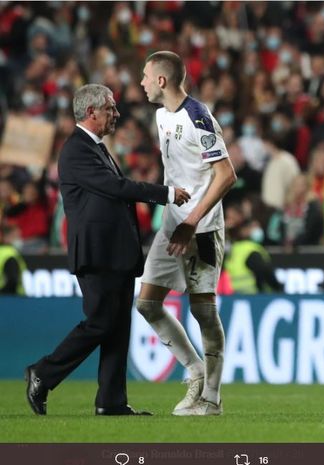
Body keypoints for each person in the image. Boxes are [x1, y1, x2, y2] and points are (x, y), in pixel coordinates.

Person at [25, 84, 190, 416]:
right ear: (91, 112)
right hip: (97, 253)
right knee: (100, 322)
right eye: (111, 109)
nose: (116, 114)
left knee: (117, 327)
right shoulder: (76, 150)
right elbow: (116, 188)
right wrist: (166, 193)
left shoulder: (95, 147)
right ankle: (43, 373)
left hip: (115, 253)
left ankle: (111, 401)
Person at [136, 51, 237, 416]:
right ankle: (194, 369)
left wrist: (192, 220)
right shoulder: (161, 116)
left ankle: (211, 396)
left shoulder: (199, 117)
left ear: (161, 80)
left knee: (203, 312)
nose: (142, 82)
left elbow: (226, 175)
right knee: (146, 303)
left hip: (203, 227)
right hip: (172, 223)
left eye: (146, 76)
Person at [224, 217, 283, 294]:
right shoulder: (251, 249)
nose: (258, 230)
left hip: (234, 295)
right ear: (244, 230)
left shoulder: (234, 248)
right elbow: (264, 270)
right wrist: (277, 288)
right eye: (254, 227)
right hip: (253, 296)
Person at [0, 224, 26, 295]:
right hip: (11, 300)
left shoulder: (2, 252)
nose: (19, 239)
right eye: (16, 236)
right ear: (7, 237)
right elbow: (12, 281)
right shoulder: (10, 254)